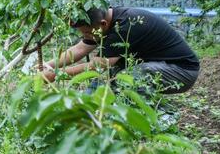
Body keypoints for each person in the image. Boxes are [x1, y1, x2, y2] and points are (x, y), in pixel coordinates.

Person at [41, 7, 200, 94]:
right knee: (104, 82)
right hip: (159, 66)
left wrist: (56, 75)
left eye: (88, 32)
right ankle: (87, 114)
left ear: (103, 24)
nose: (86, 36)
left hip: (182, 72)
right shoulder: (104, 24)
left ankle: (143, 120)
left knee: (128, 77)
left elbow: (97, 66)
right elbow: (81, 48)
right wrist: (47, 65)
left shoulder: (125, 26)